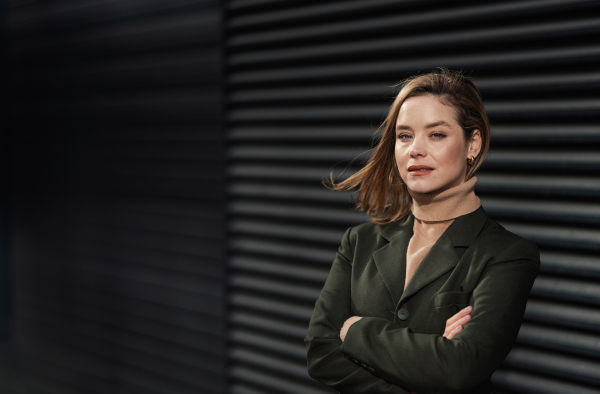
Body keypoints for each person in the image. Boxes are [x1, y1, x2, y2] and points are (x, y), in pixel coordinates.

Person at [304, 69, 540, 394]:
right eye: (404, 136)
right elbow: (320, 352)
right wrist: (429, 360)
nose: (415, 149)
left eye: (436, 134)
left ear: (473, 144)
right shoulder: (359, 242)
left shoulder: (507, 254)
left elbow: (460, 367)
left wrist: (355, 330)